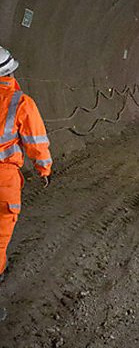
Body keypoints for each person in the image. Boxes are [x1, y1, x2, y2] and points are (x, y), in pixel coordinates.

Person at [0, 46, 52, 321]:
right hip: (4, 180)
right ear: (11, 71)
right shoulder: (21, 103)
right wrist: (44, 169)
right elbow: (36, 142)